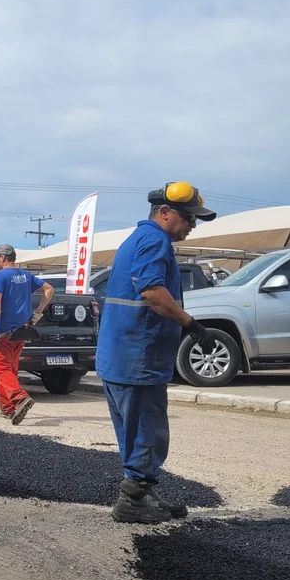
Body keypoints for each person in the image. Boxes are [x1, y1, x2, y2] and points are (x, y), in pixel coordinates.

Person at [95, 182, 218, 525]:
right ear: (165, 213)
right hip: (139, 357)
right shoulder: (154, 240)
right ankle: (133, 500)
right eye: (188, 217)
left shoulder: (136, 239)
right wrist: (191, 324)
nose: (192, 224)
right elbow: (151, 291)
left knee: (134, 430)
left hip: (122, 355)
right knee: (148, 429)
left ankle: (142, 492)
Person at [0, 243, 55, 425]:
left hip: (5, 332)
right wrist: (38, 312)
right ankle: (7, 408)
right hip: (22, 330)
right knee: (10, 369)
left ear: (3, 257)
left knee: (0, 368)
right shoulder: (26, 275)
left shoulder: (0, 276)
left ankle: (19, 397)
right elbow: (49, 289)